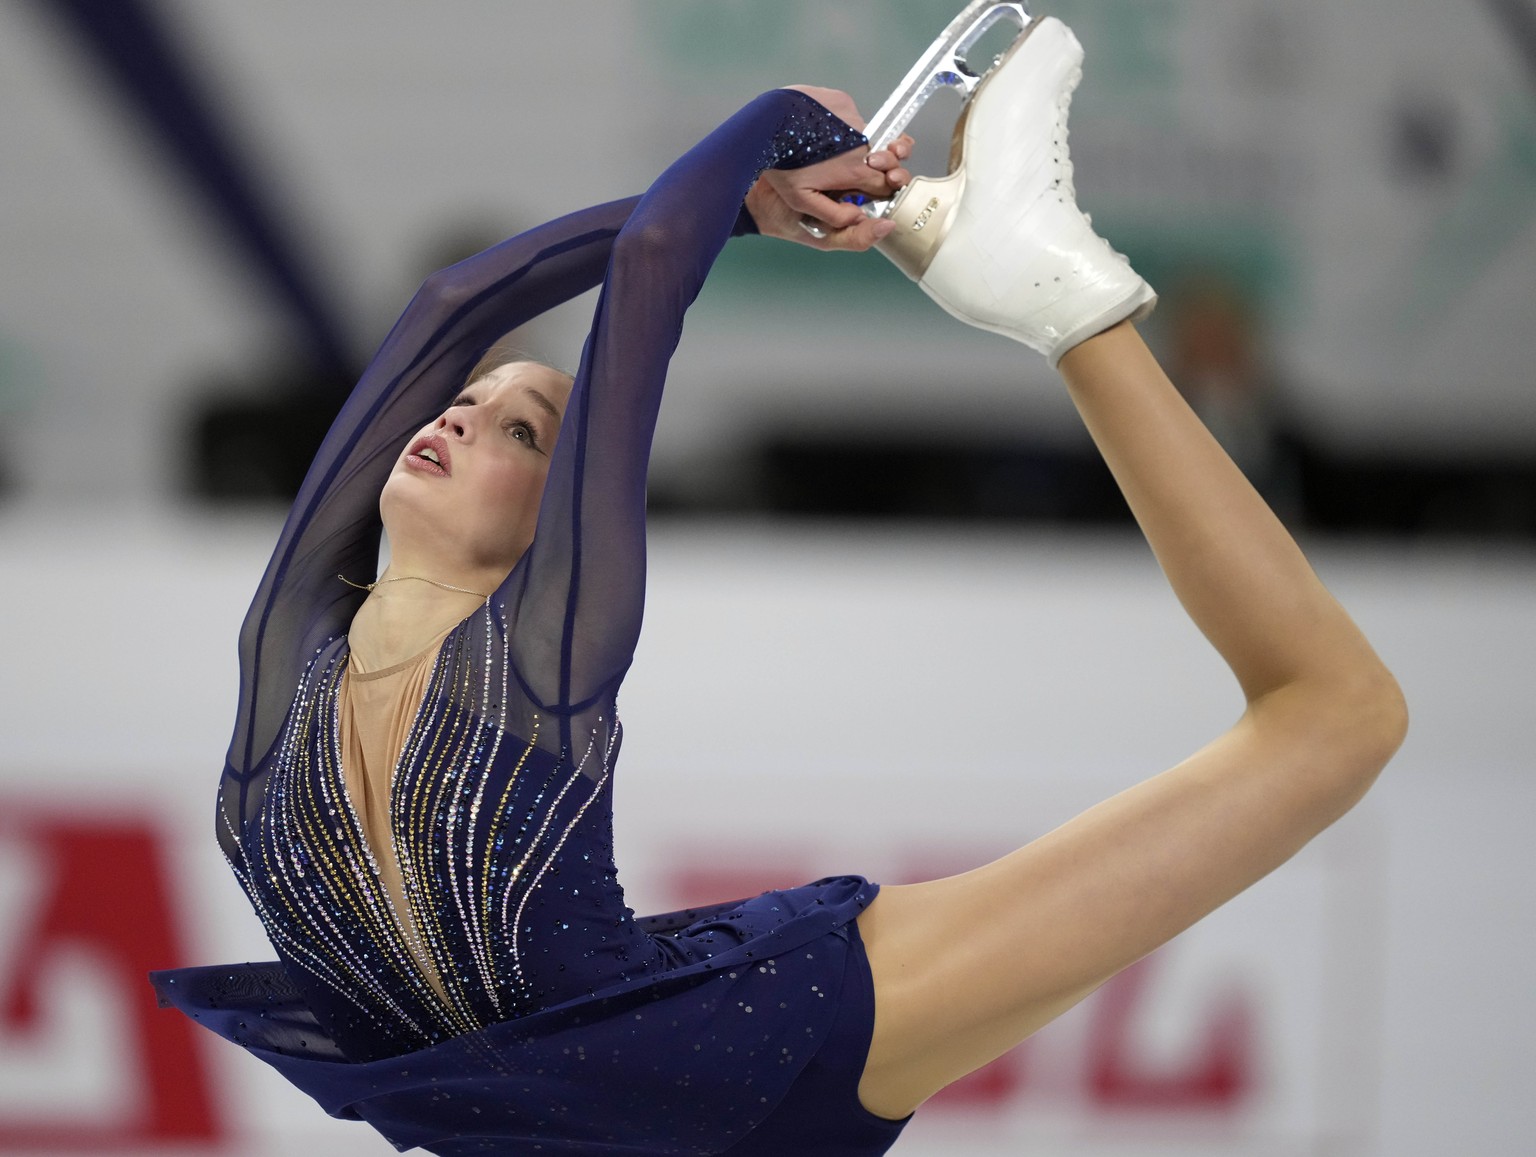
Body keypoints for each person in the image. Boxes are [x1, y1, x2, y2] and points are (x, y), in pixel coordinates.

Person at [152, 17, 1406, 1156]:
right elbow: (453, 300)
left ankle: (1062, 299)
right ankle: (1028, 274)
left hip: (731, 1050)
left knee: (1335, 719)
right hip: (583, 1117)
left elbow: (650, 266)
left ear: (557, 526)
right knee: (1333, 719)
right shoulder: (284, 653)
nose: (464, 417)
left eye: (527, 432)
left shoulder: (542, 652)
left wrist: (749, 168)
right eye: (469, 401)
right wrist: (753, 165)